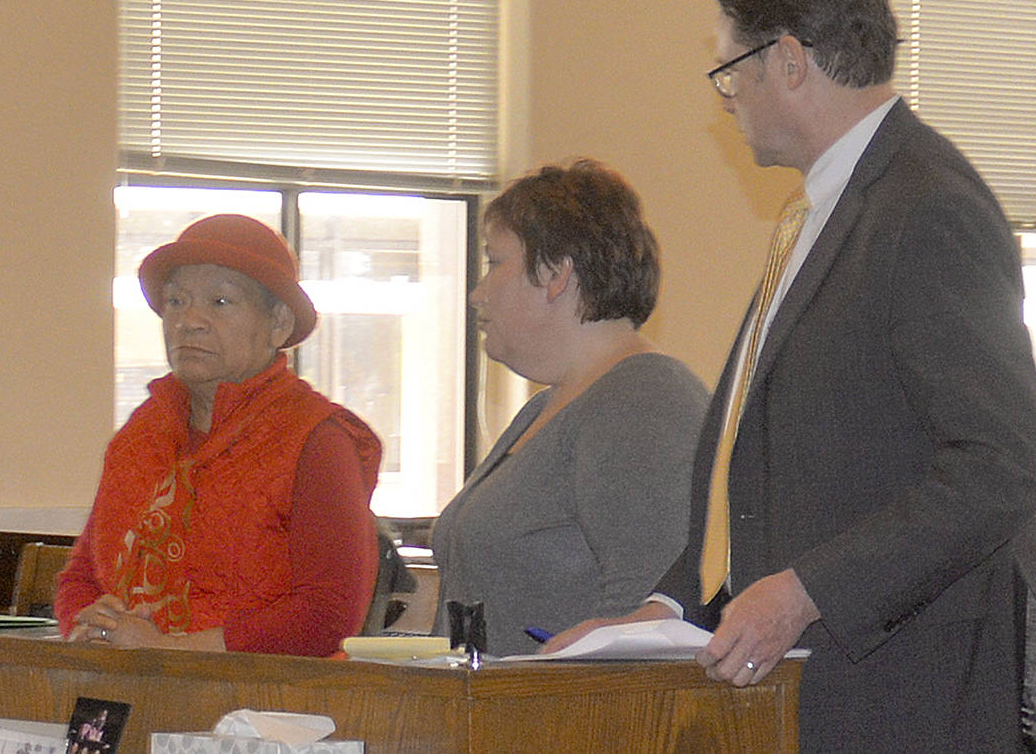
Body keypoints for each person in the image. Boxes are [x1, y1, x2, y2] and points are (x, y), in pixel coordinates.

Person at [545, 0, 1036, 752]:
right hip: (820, 693)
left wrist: (807, 590)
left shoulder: (925, 208)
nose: (725, 96)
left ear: (788, 60)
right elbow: (760, 481)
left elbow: (1002, 464)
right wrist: (668, 608)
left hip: (907, 696)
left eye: (730, 70)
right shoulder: (822, 215)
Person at [55, 213, 382, 657]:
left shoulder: (318, 439)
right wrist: (92, 620)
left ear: (279, 323)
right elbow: (81, 576)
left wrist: (174, 650)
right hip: (127, 691)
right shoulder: (141, 434)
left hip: (270, 710)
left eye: (220, 303)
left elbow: (328, 612)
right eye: (175, 301)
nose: (189, 321)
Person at [431, 159, 709, 656]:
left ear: (556, 274)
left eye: (495, 262)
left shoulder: (644, 404)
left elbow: (645, 627)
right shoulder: (544, 408)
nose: (477, 293)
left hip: (569, 727)